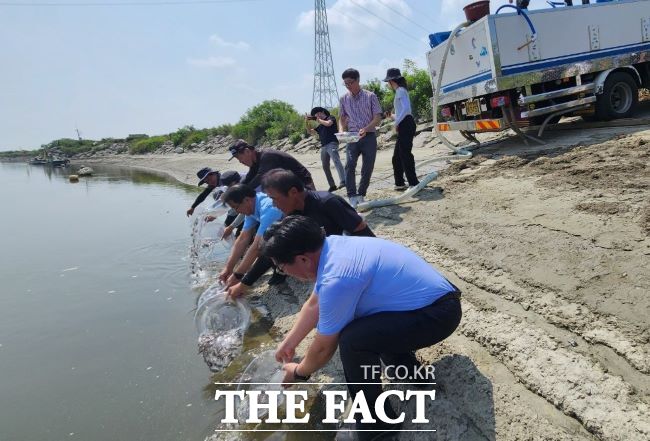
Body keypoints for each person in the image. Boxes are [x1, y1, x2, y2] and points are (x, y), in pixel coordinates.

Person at [263, 216, 462, 440]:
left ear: (302, 259)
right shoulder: (332, 248)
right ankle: (413, 375)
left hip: (439, 316)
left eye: (281, 268)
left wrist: (298, 372)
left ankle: (376, 424)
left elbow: (323, 349)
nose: (284, 273)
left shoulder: (337, 276)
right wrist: (289, 342)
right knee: (369, 323)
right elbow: (315, 302)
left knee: (353, 340)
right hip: (436, 302)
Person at [261, 168, 374, 237]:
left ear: (293, 192)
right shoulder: (293, 214)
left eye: (274, 198)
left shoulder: (327, 202)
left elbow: (363, 233)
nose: (274, 204)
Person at [218, 184, 283, 292]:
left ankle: (282, 271)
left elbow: (257, 246)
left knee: (266, 246)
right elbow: (243, 238)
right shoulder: (252, 207)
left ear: (247, 200)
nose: (237, 211)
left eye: (236, 207)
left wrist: (237, 275)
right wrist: (228, 268)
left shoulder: (269, 208)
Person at [338, 68, 383, 208]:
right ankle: (351, 195)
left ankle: (361, 194)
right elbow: (342, 118)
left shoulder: (370, 96)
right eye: (345, 84)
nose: (348, 86)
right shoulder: (344, 99)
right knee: (350, 165)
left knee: (367, 166)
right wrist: (341, 130)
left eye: (350, 82)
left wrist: (367, 128)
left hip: (368, 135)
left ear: (358, 80)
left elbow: (378, 117)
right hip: (352, 136)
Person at [228, 139, 315, 191]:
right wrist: (234, 189)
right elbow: (248, 178)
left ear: (247, 151)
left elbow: (259, 178)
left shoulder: (267, 155)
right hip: (288, 186)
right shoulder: (255, 161)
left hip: (304, 184)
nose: (240, 161)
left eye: (239, 158)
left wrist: (241, 191)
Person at [384, 68, 420, 191]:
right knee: (397, 157)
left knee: (405, 154)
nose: (388, 85)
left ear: (392, 81)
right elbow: (402, 112)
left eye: (388, 82)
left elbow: (406, 109)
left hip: (406, 124)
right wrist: (392, 116)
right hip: (405, 123)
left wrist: (396, 123)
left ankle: (413, 183)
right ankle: (399, 183)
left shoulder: (400, 90)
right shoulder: (401, 91)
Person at [306, 107, 346, 193]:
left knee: (336, 161)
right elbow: (311, 132)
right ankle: (332, 185)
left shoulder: (330, 118)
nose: (316, 115)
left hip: (332, 143)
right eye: (315, 115)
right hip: (324, 146)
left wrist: (319, 120)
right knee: (325, 166)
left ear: (322, 112)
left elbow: (328, 124)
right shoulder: (320, 126)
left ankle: (344, 181)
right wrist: (307, 122)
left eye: (317, 113)